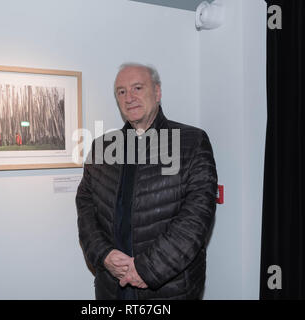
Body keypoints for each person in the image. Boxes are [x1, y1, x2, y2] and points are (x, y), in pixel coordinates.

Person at [76, 63, 217, 300]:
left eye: (137, 88)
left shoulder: (191, 142)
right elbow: (85, 207)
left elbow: (196, 218)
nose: (129, 97)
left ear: (158, 92)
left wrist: (146, 268)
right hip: (112, 286)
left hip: (167, 289)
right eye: (121, 91)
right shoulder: (101, 147)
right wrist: (103, 254)